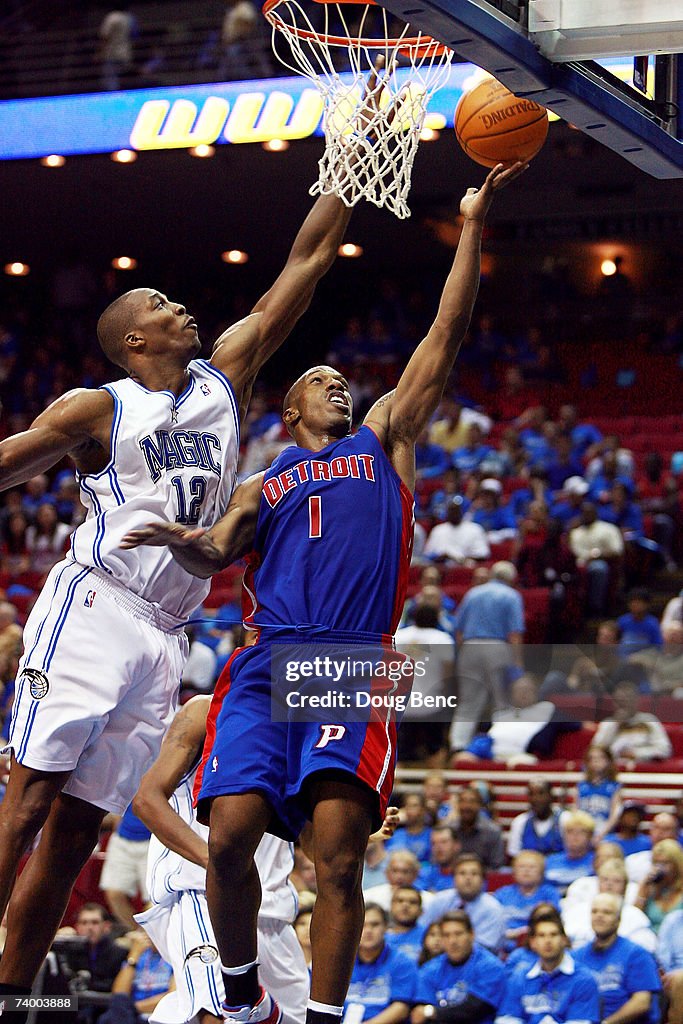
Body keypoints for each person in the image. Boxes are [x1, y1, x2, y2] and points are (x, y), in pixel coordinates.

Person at [121, 160, 526, 1024]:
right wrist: (183, 541)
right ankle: (240, 998)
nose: (336, 380)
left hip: (351, 660)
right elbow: (213, 555)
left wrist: (471, 226)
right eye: (317, 377)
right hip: (265, 660)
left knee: (337, 855)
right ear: (288, 408)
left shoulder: (386, 438)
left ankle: (323, 1018)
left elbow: (443, 337)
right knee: (228, 838)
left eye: (342, 375)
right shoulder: (262, 480)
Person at [0, 129, 364, 1002]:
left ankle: (11, 998)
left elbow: (305, 263)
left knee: (77, 835)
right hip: (95, 605)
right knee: (26, 807)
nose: (181, 310)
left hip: (165, 632)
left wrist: (353, 158)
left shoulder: (222, 377)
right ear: (132, 340)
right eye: (161, 304)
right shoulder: (97, 406)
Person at [132, 694, 309, 1024]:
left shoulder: (300, 721)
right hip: (209, 899)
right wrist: (218, 866)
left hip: (275, 916)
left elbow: (307, 840)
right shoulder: (205, 709)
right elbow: (146, 800)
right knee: (218, 1016)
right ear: (255, 639)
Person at [448, 562, 525, 753]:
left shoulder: (473, 593)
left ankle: (457, 745)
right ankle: (503, 745)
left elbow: (458, 630)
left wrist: (461, 654)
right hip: (497, 646)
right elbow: (514, 633)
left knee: (467, 702)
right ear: (511, 579)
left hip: (470, 646)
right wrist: (518, 662)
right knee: (502, 700)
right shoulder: (511, 595)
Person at [495, 909, 600, 1024]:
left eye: (553, 934)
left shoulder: (583, 979)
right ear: (533, 943)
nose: (548, 941)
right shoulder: (520, 977)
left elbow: (580, 1022)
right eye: (541, 935)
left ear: (564, 940)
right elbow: (506, 1019)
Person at [573, 894, 661, 1024]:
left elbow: (642, 1002)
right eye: (594, 911)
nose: (599, 916)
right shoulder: (575, 957)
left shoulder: (636, 954)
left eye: (606, 912)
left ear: (618, 919)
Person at [412, 911, 506, 1024]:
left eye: (458, 934)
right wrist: (429, 1012)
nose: (453, 941)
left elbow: (473, 1010)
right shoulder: (430, 969)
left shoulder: (490, 966)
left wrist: (432, 1012)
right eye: (446, 935)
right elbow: (420, 1013)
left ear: (472, 935)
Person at [562, 859, 655, 952]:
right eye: (605, 879)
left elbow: (646, 948)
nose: (609, 885)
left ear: (625, 887)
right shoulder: (576, 911)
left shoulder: (635, 916)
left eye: (616, 881)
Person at [418, 853, 506, 952]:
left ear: (483, 880)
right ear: (454, 878)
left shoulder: (493, 909)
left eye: (474, 874)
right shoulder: (440, 900)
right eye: (462, 873)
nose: (468, 878)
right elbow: (422, 930)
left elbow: (487, 947)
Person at [345, 903, 418, 1021]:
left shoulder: (403, 962)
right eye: (362, 925)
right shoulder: (341, 961)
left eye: (374, 925)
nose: (368, 931)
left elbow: (401, 1008)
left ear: (386, 927)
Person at [99, 805, 151, 933]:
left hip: (154, 838)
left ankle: (151, 937)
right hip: (122, 837)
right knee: (114, 894)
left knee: (154, 899)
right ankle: (138, 934)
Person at [592, 681, 672, 763]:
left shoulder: (649, 720)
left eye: (626, 701)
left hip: (643, 767)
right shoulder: (608, 724)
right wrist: (616, 724)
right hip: (615, 769)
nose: (622, 705)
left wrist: (636, 753)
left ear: (636, 701)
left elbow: (664, 750)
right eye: (618, 701)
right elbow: (595, 751)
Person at [495, 852, 559, 951]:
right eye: (521, 867)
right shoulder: (502, 894)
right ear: (514, 872)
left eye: (532, 867)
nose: (526, 870)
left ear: (541, 872)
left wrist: (523, 933)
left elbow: (552, 922)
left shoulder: (550, 893)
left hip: (538, 946)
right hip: (504, 944)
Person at [61, 902, 127, 996]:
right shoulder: (69, 950)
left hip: (103, 1004)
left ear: (106, 926)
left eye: (95, 922)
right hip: (74, 1003)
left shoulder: (119, 953)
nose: (89, 928)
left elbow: (113, 987)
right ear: (77, 927)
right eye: (84, 923)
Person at [448, 786, 505, 870]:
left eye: (472, 801)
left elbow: (496, 866)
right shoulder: (449, 829)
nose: (467, 806)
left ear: (480, 805)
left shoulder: (493, 831)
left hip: (484, 880)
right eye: (463, 801)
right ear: (458, 804)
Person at [633, 839, 683, 933]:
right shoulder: (649, 889)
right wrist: (643, 888)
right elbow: (635, 920)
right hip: (652, 941)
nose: (660, 868)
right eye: (656, 863)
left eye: (665, 863)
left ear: (677, 864)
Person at [506, 779, 564, 859]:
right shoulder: (520, 822)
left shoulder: (565, 820)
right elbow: (515, 856)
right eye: (531, 794)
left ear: (551, 797)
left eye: (541, 793)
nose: (535, 799)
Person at [574, 746, 622, 839]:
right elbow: (576, 811)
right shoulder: (581, 786)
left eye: (600, 757)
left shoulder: (614, 786)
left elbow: (615, 814)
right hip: (584, 830)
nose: (596, 761)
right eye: (592, 758)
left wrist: (602, 834)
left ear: (608, 760)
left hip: (605, 831)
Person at [544, 812, 596, 895]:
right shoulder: (549, 861)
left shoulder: (595, 862)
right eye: (570, 832)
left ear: (590, 837)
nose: (575, 836)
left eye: (581, 832)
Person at [626, 813, 680, 883]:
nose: (660, 832)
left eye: (666, 829)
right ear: (650, 831)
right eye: (656, 827)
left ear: (676, 834)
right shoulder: (633, 861)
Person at [386, 886, 425, 963]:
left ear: (421, 911)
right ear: (391, 907)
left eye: (412, 902)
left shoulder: (428, 935)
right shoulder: (379, 936)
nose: (405, 905)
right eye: (400, 901)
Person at [417, 825, 461, 893]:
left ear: (456, 845)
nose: (438, 848)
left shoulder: (466, 875)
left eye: (444, 842)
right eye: (434, 843)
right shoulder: (424, 873)